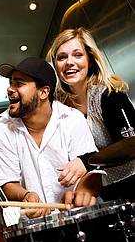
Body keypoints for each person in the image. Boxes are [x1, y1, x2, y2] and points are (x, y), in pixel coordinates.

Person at [0, 56, 98, 219]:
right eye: (11, 83)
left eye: (19, 83)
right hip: (37, 225)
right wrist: (25, 196)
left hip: (80, 217)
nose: (10, 89)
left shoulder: (72, 119)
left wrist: (83, 192)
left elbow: (92, 169)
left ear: (43, 92)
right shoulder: (0, 130)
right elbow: (6, 183)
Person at [47, 27, 135, 203]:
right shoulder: (58, 106)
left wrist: (86, 161)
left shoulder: (110, 94)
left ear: (90, 60)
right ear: (55, 65)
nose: (69, 62)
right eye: (62, 57)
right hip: (102, 193)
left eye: (77, 55)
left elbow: (131, 144)